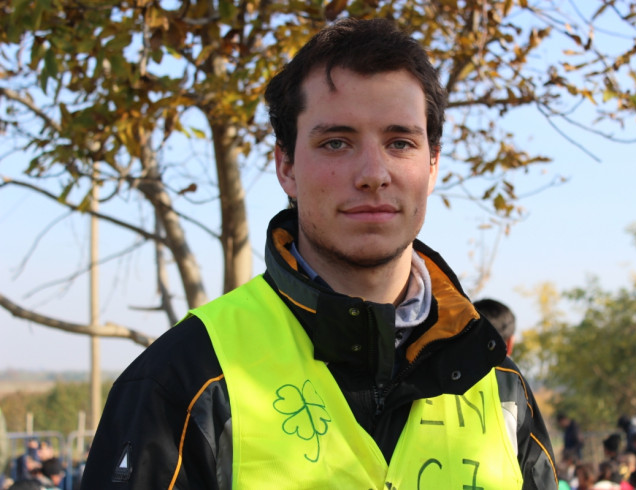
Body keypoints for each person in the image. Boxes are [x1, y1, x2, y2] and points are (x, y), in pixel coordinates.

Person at [80, 18, 557, 489]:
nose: (373, 172)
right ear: (285, 166)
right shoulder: (186, 377)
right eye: (336, 142)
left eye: (400, 142)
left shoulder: (498, 383)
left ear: (431, 165)